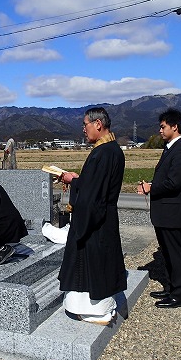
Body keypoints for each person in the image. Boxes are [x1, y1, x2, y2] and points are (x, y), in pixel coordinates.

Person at [58, 107, 127, 325]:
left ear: (98, 124)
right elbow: (96, 186)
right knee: (101, 265)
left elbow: (93, 196)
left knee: (90, 266)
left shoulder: (102, 153)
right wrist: (78, 181)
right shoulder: (112, 149)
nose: (84, 130)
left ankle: (96, 311)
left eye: (85, 125)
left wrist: (74, 184)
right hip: (105, 216)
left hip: (94, 222)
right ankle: (102, 308)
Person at [138, 109, 181, 308]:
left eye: (163, 126)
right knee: (168, 253)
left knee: (176, 254)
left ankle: (179, 295)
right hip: (165, 212)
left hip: (173, 212)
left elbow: (174, 183)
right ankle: (170, 287)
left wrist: (150, 187)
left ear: (174, 126)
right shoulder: (170, 148)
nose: (160, 130)